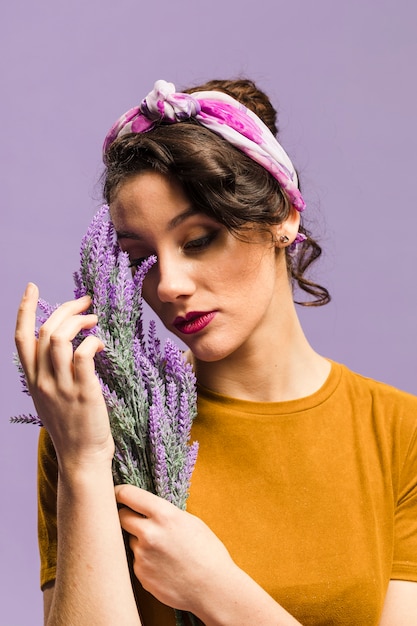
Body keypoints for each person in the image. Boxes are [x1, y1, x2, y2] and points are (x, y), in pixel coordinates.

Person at [15, 78, 417, 626]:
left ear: (283, 217)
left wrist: (215, 589)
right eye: (142, 259)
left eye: (199, 240)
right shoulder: (92, 431)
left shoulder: (398, 434)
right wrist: (85, 465)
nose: (170, 285)